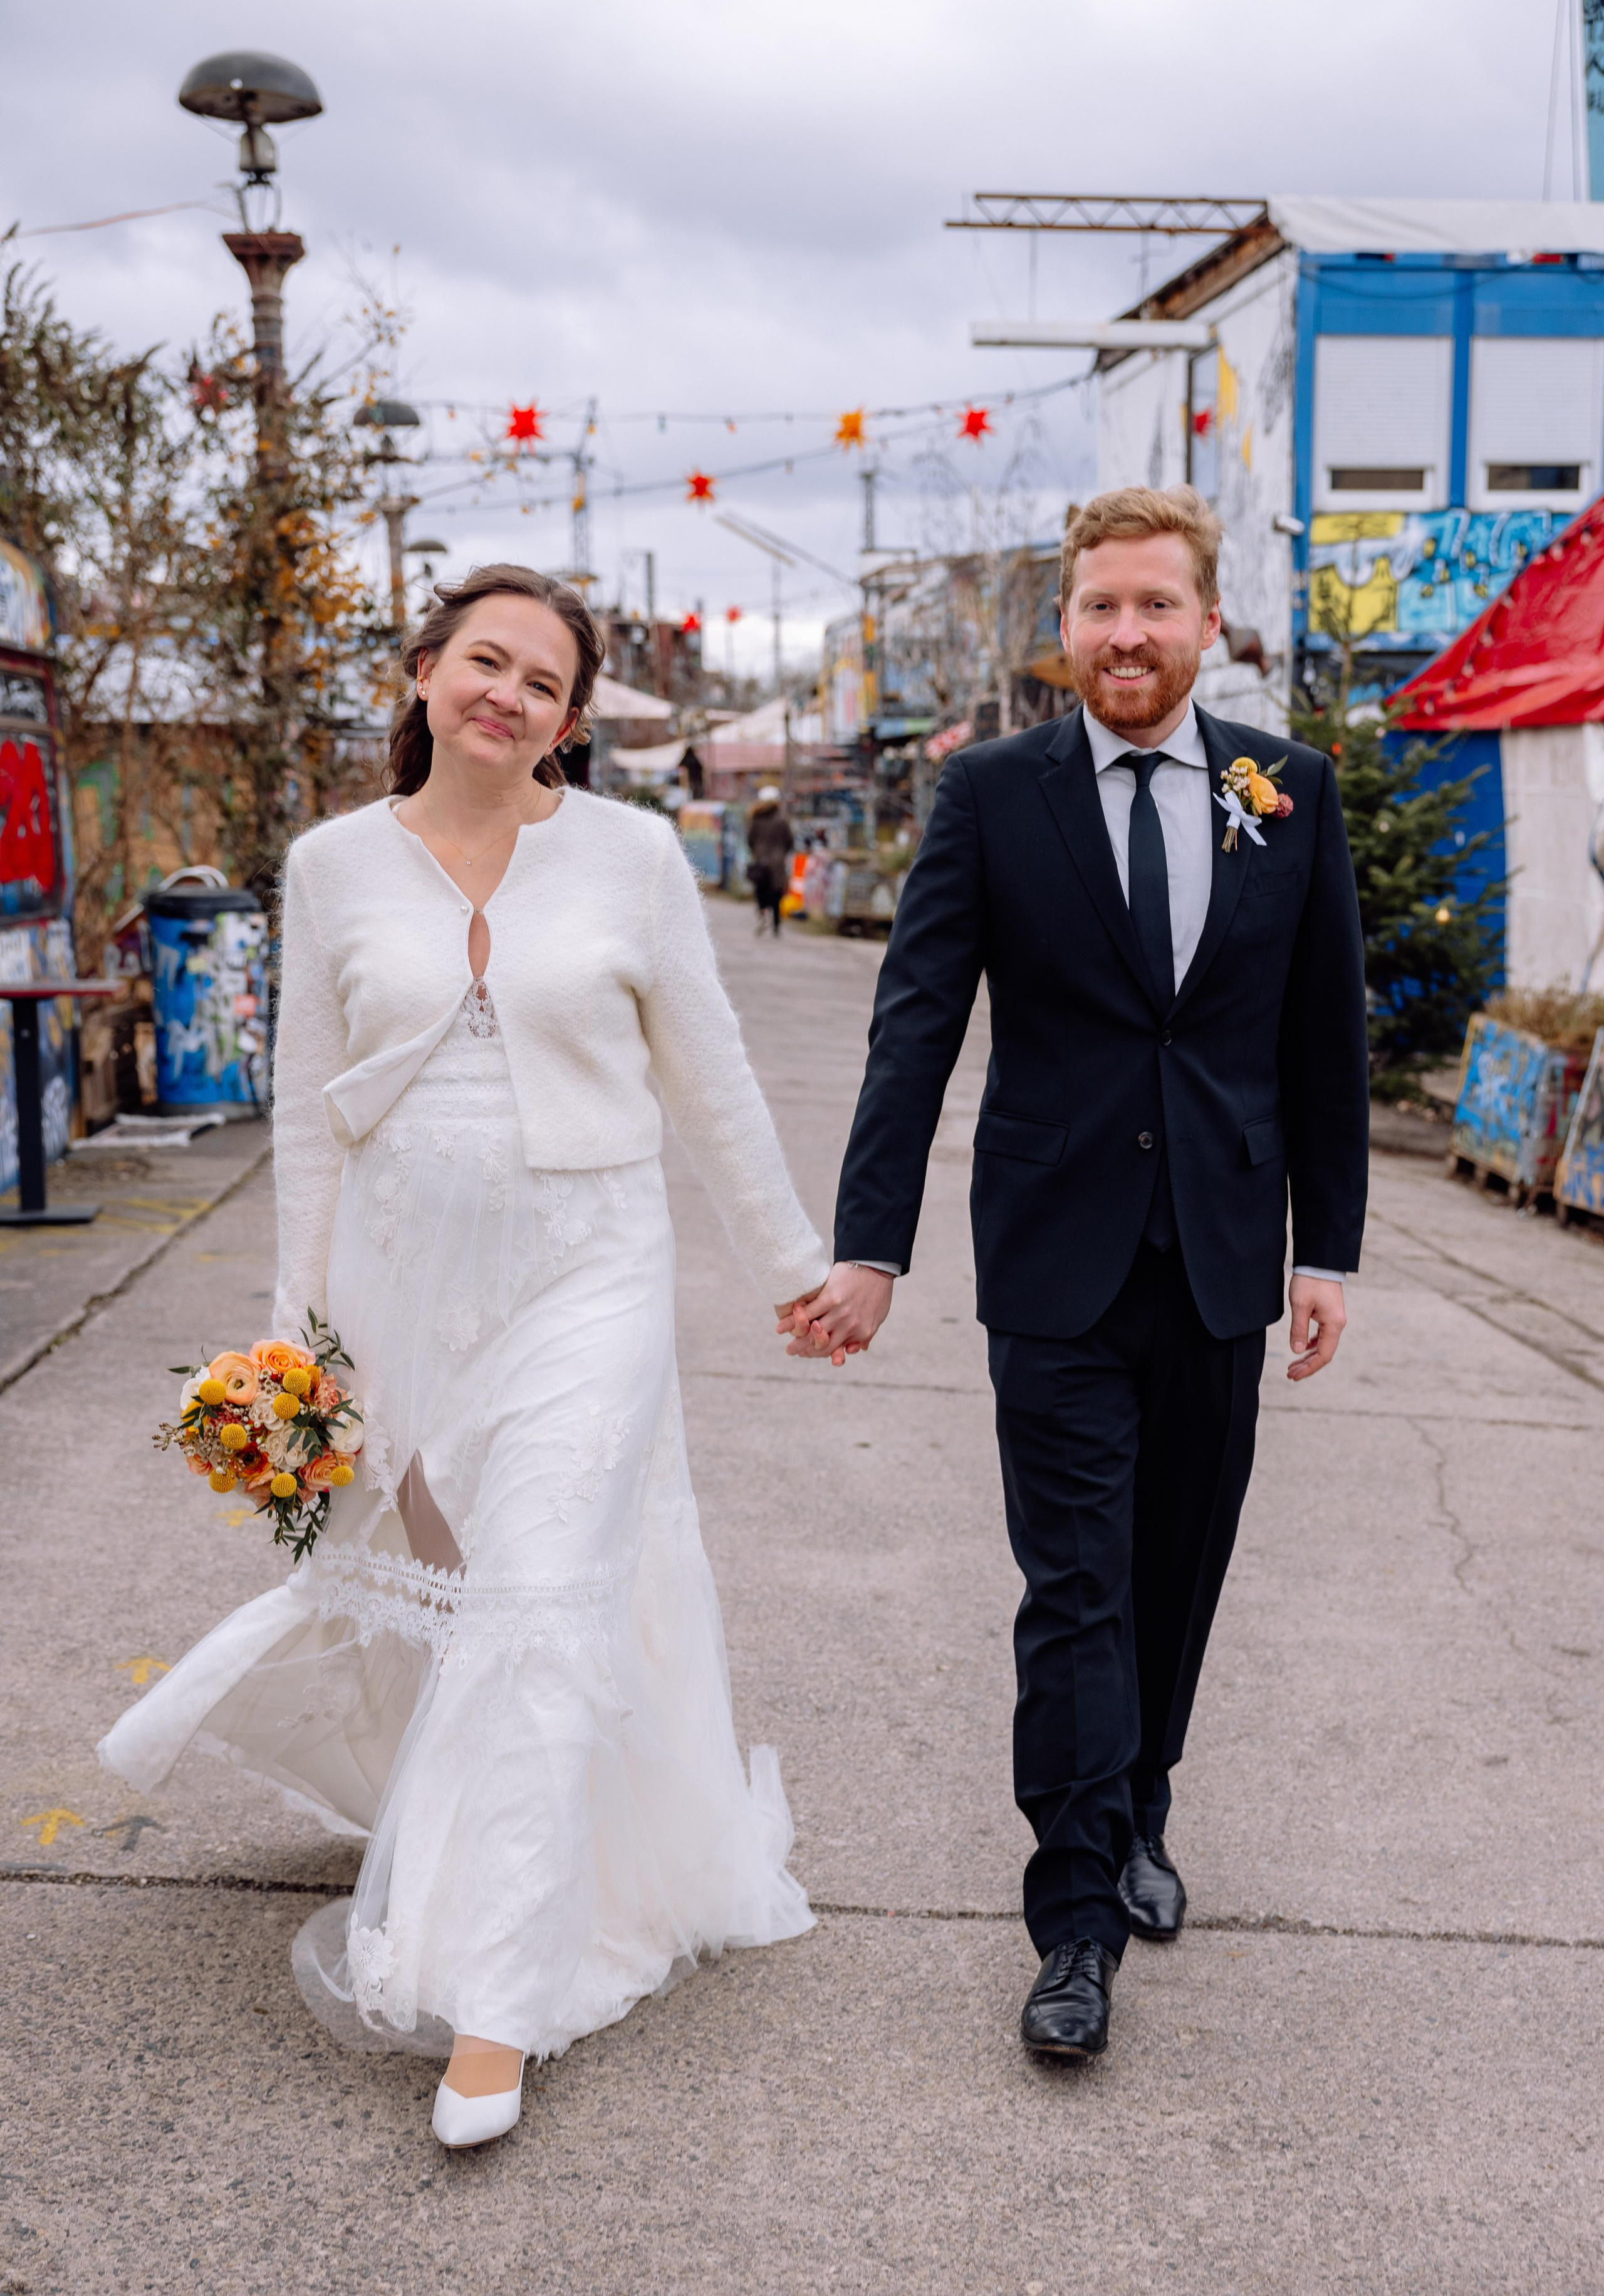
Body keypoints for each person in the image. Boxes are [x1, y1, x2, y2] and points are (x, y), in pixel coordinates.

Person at [100, 565, 830, 2147]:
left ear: (569, 721)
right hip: (404, 1281)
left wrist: (795, 1267)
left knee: (541, 1591)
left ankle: (492, 1998)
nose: (506, 693)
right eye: (481, 661)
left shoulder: (636, 861)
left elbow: (707, 1083)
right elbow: (305, 1110)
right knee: (445, 1609)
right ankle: (502, 1839)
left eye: (541, 680)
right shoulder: (329, 865)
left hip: (593, 1269)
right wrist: (297, 1348)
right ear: (426, 673)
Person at [787, 486, 1368, 2062]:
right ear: (1064, 631)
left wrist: (1327, 1247)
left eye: (1153, 606)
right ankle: (1071, 1921)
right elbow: (917, 1023)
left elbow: (1323, 1037)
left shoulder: (1284, 788)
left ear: (1205, 622)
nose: (1125, 633)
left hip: (1222, 1258)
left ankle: (1135, 1807)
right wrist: (869, 1242)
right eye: (1098, 608)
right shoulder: (990, 793)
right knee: (1073, 1586)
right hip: (1048, 1261)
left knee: (1173, 1573)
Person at [746, 785, 793, 935]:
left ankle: (762, 915)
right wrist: (782, 853)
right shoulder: (782, 820)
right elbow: (790, 840)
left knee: (761, 891)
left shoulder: (756, 818)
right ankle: (776, 925)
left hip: (761, 861)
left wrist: (756, 852)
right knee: (776, 893)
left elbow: (750, 839)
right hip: (778, 863)